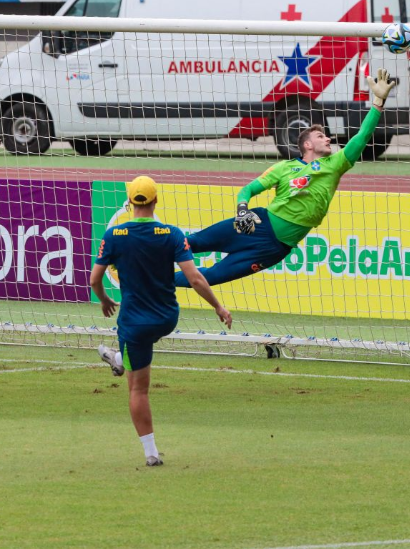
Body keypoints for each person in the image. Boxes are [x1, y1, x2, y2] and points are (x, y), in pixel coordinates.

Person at [175, 69, 394, 356]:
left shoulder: (337, 164)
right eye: (321, 135)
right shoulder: (284, 168)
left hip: (275, 248)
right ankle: (143, 252)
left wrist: (377, 104)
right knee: (194, 243)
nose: (328, 138)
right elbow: (248, 190)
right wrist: (242, 210)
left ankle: (145, 277)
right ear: (307, 144)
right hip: (256, 224)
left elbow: (363, 136)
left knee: (212, 276)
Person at [91, 175, 232, 467]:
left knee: (137, 387)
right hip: (167, 317)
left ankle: (151, 453)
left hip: (135, 322)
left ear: (129, 202)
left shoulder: (114, 235)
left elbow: (94, 279)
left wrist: (104, 299)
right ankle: (119, 358)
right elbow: (194, 278)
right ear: (156, 200)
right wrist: (218, 306)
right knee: (133, 356)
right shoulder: (172, 234)